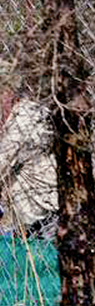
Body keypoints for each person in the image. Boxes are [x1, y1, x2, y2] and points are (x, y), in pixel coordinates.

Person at [0, 85, 56, 238]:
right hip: (34, 213)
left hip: (37, 213)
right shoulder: (31, 113)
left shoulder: (26, 117)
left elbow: (4, 160)